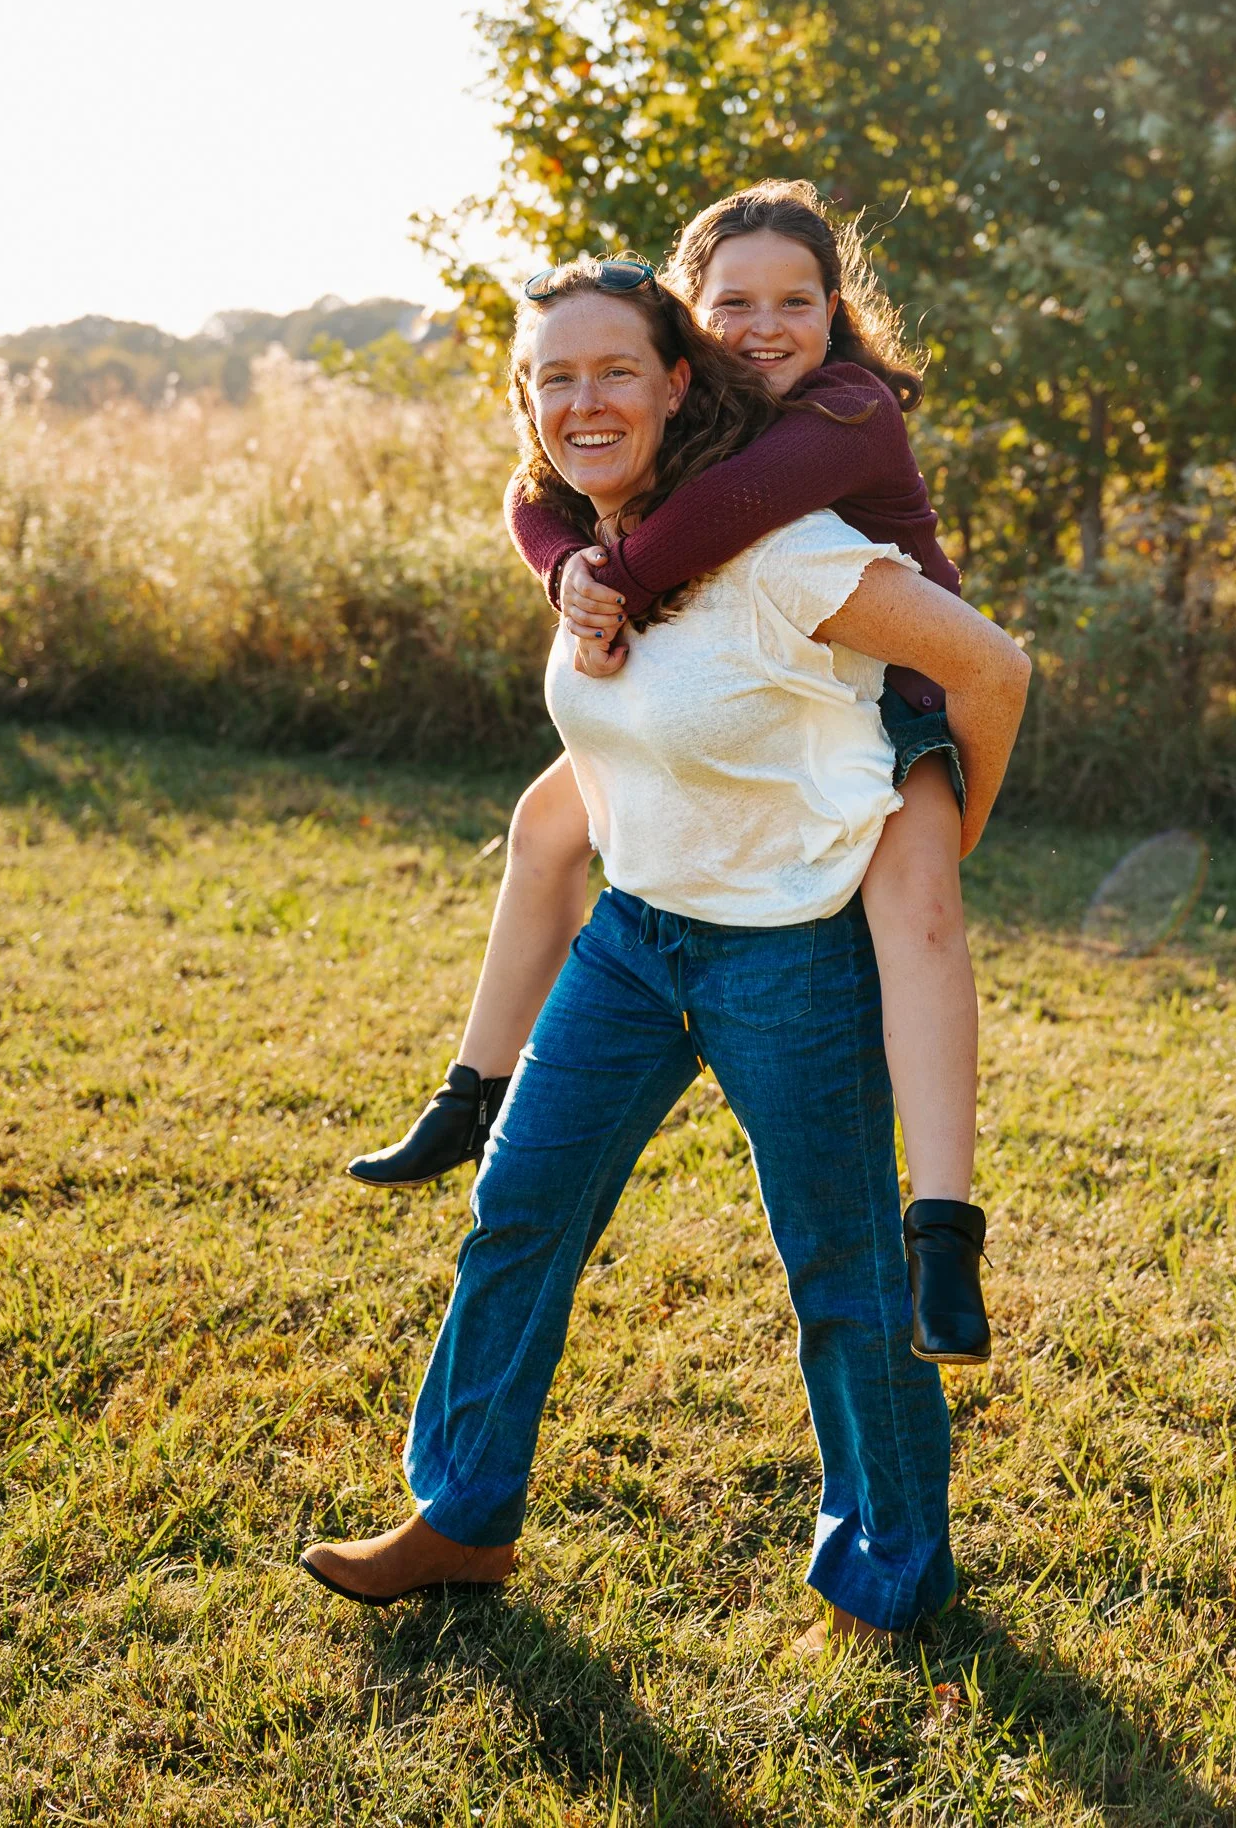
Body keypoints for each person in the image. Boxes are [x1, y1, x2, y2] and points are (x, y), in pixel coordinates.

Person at [303, 260, 1031, 1639]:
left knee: (843, 1274)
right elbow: (604, 758)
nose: (584, 400)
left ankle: (890, 1569)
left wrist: (946, 826)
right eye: (553, 376)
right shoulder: (592, 555)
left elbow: (989, 666)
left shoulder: (787, 551)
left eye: (615, 370)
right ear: (526, 399)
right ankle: (460, 1517)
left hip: (794, 960)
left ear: (677, 381)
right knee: (518, 1214)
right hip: (633, 945)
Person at [349, 184, 995, 1362]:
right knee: (546, 828)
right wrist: (560, 570)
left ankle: (944, 1229)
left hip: (901, 703)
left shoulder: (839, 407)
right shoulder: (718, 411)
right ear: (692, 321)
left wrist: (615, 583)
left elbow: (729, 517)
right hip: (793, 697)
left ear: (834, 310)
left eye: (795, 299)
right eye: (731, 301)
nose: (764, 325)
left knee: (922, 921)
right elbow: (528, 488)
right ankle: (471, 1089)